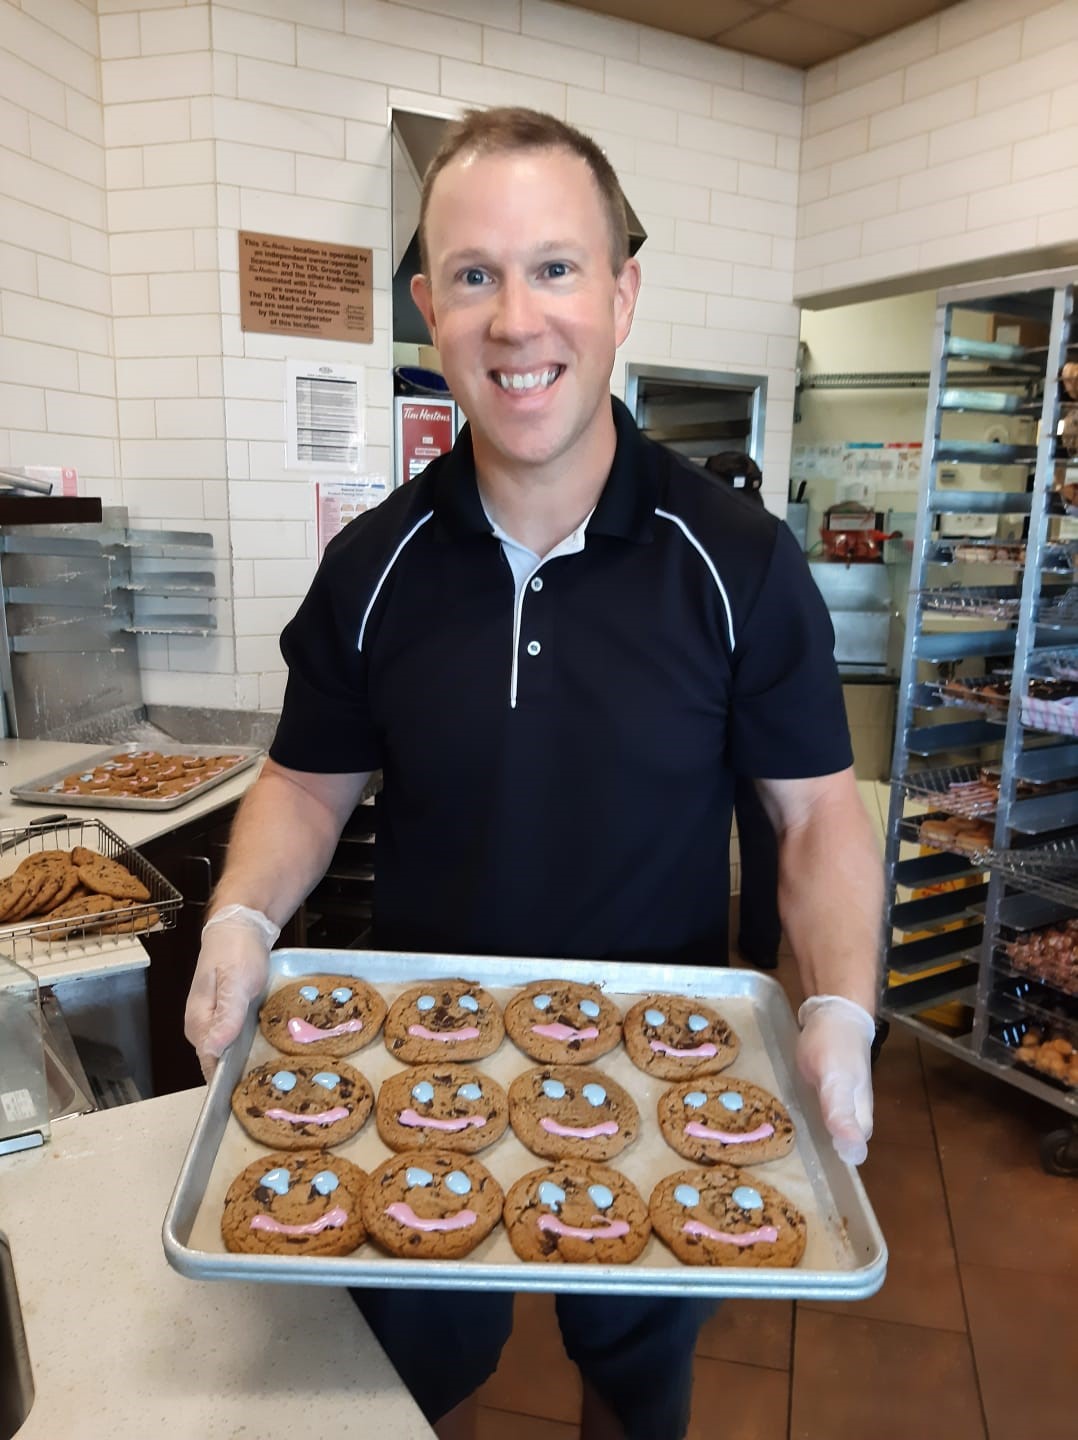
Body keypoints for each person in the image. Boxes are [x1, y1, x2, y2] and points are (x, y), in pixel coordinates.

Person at [185, 107, 882, 1440]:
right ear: (425, 308)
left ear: (620, 293)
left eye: (555, 268)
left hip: (670, 1080)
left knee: (633, 1388)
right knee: (406, 1384)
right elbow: (306, 782)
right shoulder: (371, 566)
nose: (516, 320)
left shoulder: (737, 565)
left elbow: (813, 824)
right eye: (473, 274)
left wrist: (839, 1009)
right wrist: (242, 912)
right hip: (404, 1089)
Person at [702, 451, 781, 970]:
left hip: (709, 720)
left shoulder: (692, 540)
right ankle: (760, 941)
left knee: (703, 833)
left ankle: (705, 941)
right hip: (759, 719)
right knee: (761, 835)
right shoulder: (771, 540)